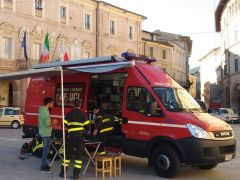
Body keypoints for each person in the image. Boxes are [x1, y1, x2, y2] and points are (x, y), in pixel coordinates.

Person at [59, 99, 90, 180]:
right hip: (80, 136)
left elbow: (63, 125)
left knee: (67, 155)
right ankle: (76, 176)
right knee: (79, 156)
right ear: (80, 106)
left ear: (73, 105)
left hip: (71, 137)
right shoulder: (83, 115)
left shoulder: (68, 114)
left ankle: (63, 173)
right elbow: (88, 127)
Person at [38, 97, 57, 173]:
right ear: (48, 104)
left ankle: (44, 164)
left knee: (46, 149)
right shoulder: (45, 112)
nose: (52, 104)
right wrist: (53, 122)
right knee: (45, 150)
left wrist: (51, 122)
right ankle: (43, 166)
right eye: (52, 103)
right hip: (45, 133)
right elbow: (48, 124)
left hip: (46, 132)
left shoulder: (44, 110)